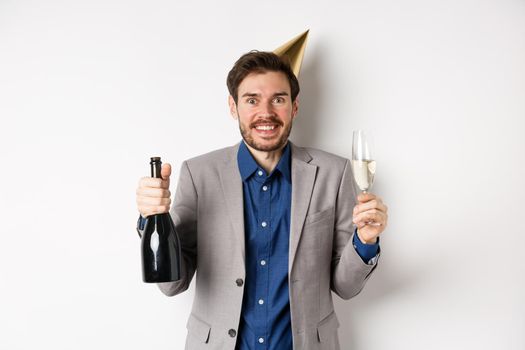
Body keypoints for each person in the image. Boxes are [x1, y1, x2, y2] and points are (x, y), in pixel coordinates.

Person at [135, 51, 389, 350]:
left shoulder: (334, 172)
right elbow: (171, 285)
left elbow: (345, 287)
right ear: (234, 106)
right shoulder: (198, 173)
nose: (265, 112)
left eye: (278, 99)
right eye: (252, 100)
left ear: (294, 107)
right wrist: (152, 219)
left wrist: (365, 241)